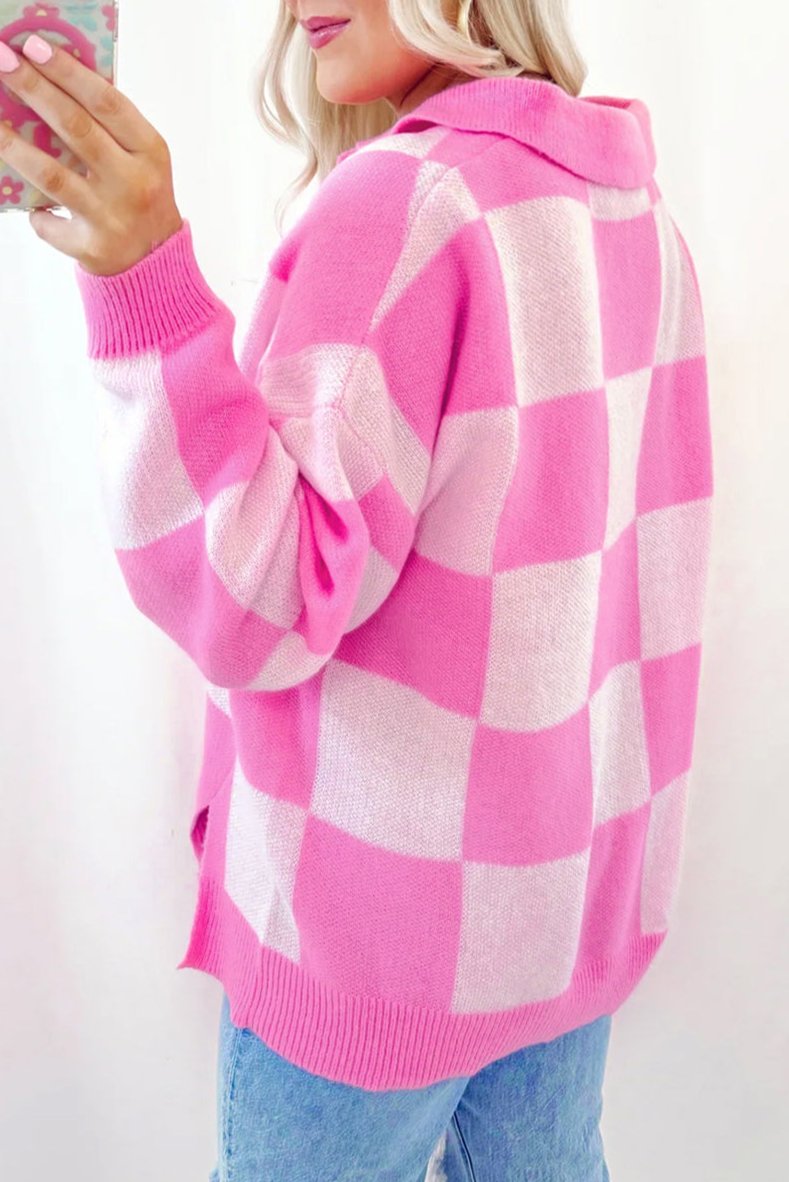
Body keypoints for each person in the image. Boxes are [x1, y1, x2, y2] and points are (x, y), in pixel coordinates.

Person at [64, 1, 712, 1178]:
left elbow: (255, 607)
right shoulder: (628, 200)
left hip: (373, 940)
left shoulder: (408, 204)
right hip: (562, 902)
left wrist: (141, 275)